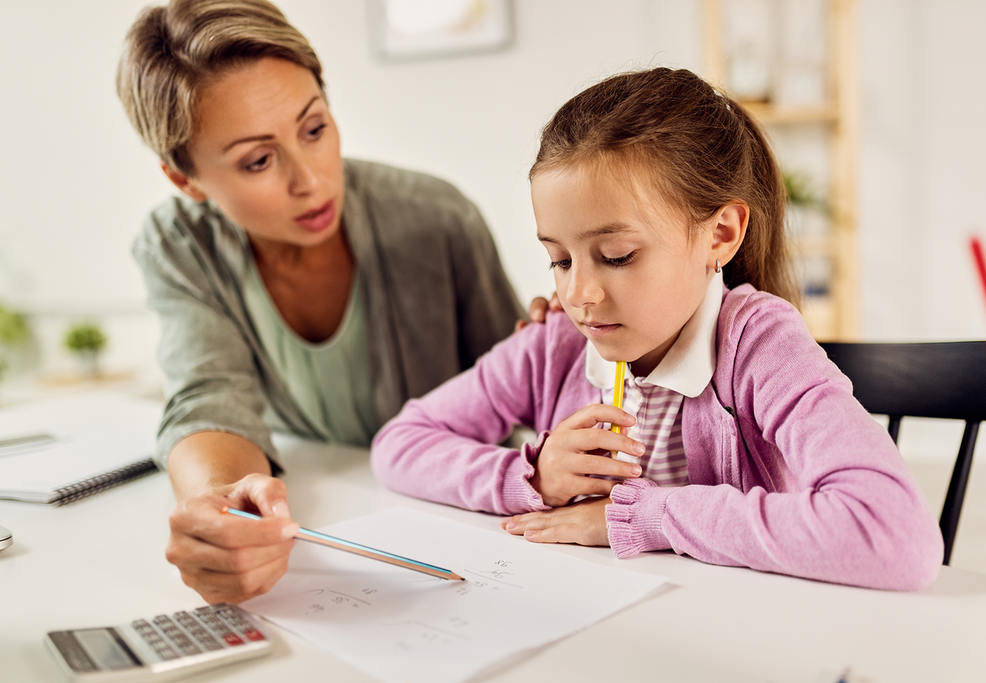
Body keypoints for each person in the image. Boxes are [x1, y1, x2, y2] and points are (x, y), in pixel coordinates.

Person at [372, 67, 944, 590]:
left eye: (617, 256)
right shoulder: (554, 344)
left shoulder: (759, 348)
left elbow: (895, 534)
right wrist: (534, 477)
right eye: (560, 260)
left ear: (720, 234)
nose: (579, 294)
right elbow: (399, 445)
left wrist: (644, 517)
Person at [116, 0, 530, 604]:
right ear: (186, 180)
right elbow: (206, 397)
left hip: (467, 534)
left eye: (314, 129)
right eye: (258, 160)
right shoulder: (178, 245)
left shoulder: (436, 219)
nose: (309, 180)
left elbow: (525, 393)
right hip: (336, 530)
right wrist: (219, 505)